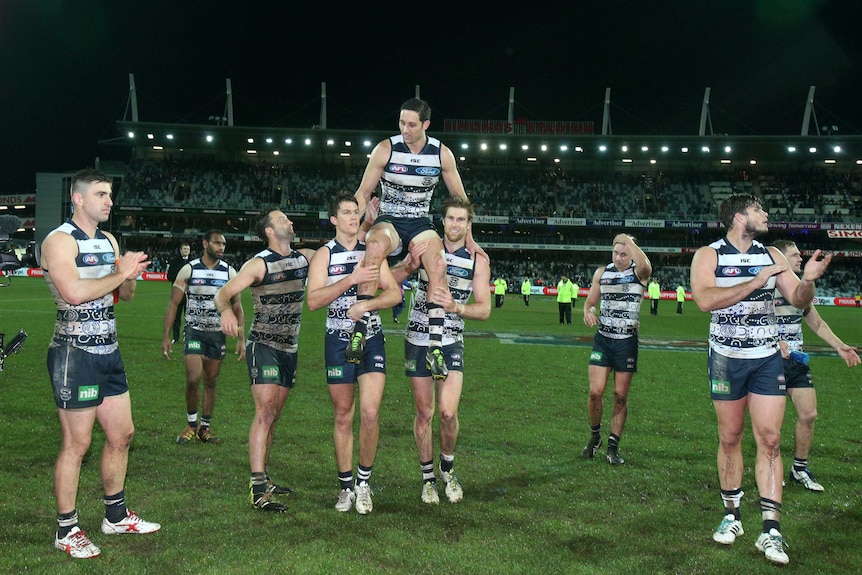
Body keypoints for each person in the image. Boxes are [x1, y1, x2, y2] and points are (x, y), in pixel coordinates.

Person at [690, 194, 832, 566]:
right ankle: (732, 515)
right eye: (758, 210)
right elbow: (704, 300)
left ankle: (771, 530)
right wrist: (755, 282)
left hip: (767, 358)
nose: (766, 214)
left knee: (770, 440)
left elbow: (798, 299)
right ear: (739, 217)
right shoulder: (709, 255)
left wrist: (808, 281)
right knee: (729, 437)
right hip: (725, 359)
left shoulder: (773, 256)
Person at [41, 168, 160, 559]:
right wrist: (119, 273)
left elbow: (123, 294)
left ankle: (115, 515)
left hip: (109, 351)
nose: (110, 201)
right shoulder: (59, 242)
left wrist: (129, 276)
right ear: (78, 199)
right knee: (77, 443)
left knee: (122, 434)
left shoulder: (109, 240)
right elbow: (74, 293)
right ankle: (67, 528)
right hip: (75, 353)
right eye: (102, 194)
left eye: (110, 194)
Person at [349, 97, 485, 382]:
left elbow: (460, 199)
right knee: (373, 247)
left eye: (411, 124)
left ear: (426, 125)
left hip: (421, 221)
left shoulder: (441, 154)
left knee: (437, 261)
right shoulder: (385, 148)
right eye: (401, 123)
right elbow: (362, 193)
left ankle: (435, 346)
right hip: (389, 220)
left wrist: (470, 239)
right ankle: (359, 331)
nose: (405, 129)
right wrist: (356, 223)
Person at [214, 208, 316, 512]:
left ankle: (265, 477)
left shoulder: (304, 258)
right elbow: (223, 294)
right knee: (265, 411)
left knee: (274, 416)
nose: (290, 222)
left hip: (291, 349)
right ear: (269, 231)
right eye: (283, 219)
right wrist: (227, 311)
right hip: (264, 345)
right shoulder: (259, 264)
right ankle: (257, 489)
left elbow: (342, 246)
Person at [390, 197, 491, 505]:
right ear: (443, 222)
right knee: (425, 412)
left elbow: (485, 309)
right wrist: (408, 264)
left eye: (462, 220)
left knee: (447, 413)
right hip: (418, 339)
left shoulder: (479, 260)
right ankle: (428, 479)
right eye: (451, 219)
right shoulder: (426, 247)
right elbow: (389, 282)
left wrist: (456, 306)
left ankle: (447, 469)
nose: (455, 225)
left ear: (468, 225)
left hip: (450, 340)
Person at [306, 193, 401, 515]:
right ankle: (346, 486)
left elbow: (394, 293)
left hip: (371, 338)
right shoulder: (324, 255)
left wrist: (367, 304)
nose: (351, 217)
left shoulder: (371, 253)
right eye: (345, 212)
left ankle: (363, 483)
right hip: (336, 339)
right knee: (344, 414)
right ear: (333, 219)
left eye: (355, 212)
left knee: (371, 414)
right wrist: (352, 279)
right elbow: (314, 301)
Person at [772, 240, 859, 492]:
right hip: (770, 362)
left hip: (797, 361)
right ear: (779, 258)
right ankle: (771, 470)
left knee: (809, 414)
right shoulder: (765, 286)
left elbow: (817, 323)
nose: (800, 258)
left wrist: (839, 346)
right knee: (771, 425)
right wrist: (774, 341)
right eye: (794, 255)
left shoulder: (800, 289)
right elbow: (750, 321)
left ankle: (799, 468)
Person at [162, 230, 245, 445]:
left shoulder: (229, 272)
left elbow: (237, 305)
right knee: (193, 377)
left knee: (211, 381)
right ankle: (191, 424)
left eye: (224, 244)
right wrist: (166, 336)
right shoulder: (188, 269)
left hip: (217, 334)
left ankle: (204, 428)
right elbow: (173, 304)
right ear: (205, 243)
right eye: (217, 243)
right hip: (194, 331)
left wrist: (241, 337)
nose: (221, 248)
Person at [582, 234, 651, 465]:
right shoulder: (602, 273)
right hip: (603, 340)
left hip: (626, 342)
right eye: (616, 253)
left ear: (631, 253)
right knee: (595, 392)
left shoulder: (638, 274)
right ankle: (595, 437)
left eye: (624, 254)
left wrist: (630, 242)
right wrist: (588, 311)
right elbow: (590, 302)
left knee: (620, 396)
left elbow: (646, 266)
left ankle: (612, 447)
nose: (619, 258)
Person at [165, 242, 191, 343]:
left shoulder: (192, 262)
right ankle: (176, 338)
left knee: (189, 317)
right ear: (180, 250)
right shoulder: (174, 262)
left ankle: (187, 337)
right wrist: (180, 279)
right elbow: (169, 276)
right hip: (177, 293)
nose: (186, 251)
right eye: (184, 249)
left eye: (188, 249)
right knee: (177, 317)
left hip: (189, 294)